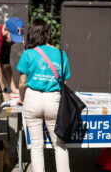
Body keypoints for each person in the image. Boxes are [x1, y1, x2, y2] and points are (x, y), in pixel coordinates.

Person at [16, 19, 71, 172]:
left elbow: (22, 83)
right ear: (48, 34)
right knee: (59, 145)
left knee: (36, 146)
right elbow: (63, 83)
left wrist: (22, 98)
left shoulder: (27, 54)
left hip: (33, 99)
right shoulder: (61, 54)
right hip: (54, 99)